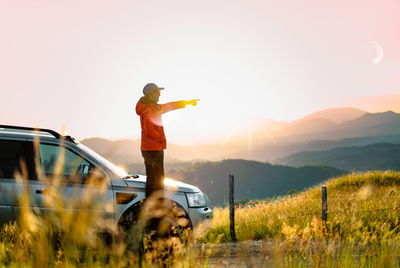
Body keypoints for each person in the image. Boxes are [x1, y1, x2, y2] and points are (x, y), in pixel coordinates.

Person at [136, 83, 198, 199]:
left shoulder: (153, 107)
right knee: (158, 177)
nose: (159, 94)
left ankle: (151, 203)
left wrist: (187, 102)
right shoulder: (148, 109)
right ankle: (158, 203)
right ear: (152, 94)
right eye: (157, 92)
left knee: (152, 177)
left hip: (149, 148)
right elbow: (149, 130)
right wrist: (160, 139)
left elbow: (170, 106)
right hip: (153, 148)